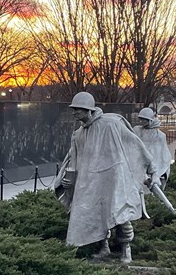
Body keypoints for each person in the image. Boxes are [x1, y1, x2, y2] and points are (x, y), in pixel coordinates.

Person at [54, 92, 156, 264]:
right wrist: (67, 178)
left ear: (88, 110)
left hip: (114, 176)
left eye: (78, 109)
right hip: (89, 182)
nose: (74, 113)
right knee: (94, 213)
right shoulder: (78, 134)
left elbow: (133, 142)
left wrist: (151, 167)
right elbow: (73, 157)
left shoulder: (110, 124)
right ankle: (103, 247)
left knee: (119, 213)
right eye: (73, 109)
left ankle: (126, 249)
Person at [133, 107, 172, 189]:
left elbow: (162, 156)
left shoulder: (160, 136)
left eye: (144, 119)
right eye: (141, 119)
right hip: (139, 164)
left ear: (150, 120)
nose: (142, 121)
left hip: (153, 166)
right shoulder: (137, 131)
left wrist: (156, 172)